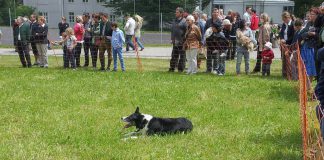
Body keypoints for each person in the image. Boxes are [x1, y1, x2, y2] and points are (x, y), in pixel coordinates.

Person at [299, 7, 320, 84]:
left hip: (313, 48)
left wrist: (314, 34)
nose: (311, 16)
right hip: (306, 47)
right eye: (310, 14)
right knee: (305, 67)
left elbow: (319, 36)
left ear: (317, 15)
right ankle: (305, 86)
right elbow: (301, 35)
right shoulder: (309, 23)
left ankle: (309, 86)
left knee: (311, 68)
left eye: (313, 14)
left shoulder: (319, 24)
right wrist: (308, 34)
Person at [169, 7, 187, 72]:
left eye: (177, 12)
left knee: (182, 56)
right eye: (175, 12)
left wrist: (184, 40)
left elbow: (186, 31)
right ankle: (172, 68)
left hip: (182, 42)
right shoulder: (174, 20)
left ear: (181, 13)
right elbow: (172, 30)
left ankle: (180, 69)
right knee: (174, 55)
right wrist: (172, 39)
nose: (175, 13)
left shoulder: (184, 21)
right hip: (175, 41)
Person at [205, 8, 222, 73]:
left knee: (216, 56)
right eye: (214, 12)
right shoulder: (208, 21)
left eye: (217, 12)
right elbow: (205, 30)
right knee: (209, 56)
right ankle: (208, 69)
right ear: (212, 13)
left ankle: (215, 69)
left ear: (218, 13)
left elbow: (220, 30)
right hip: (209, 41)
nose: (215, 13)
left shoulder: (219, 21)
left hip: (216, 41)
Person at [279, 11, 295, 78]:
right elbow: (281, 33)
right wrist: (282, 39)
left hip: (290, 44)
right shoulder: (283, 24)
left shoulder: (292, 24)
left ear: (287, 18)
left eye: (284, 19)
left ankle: (289, 74)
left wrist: (286, 41)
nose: (283, 21)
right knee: (284, 59)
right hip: (283, 44)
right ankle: (284, 73)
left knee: (289, 59)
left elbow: (293, 35)